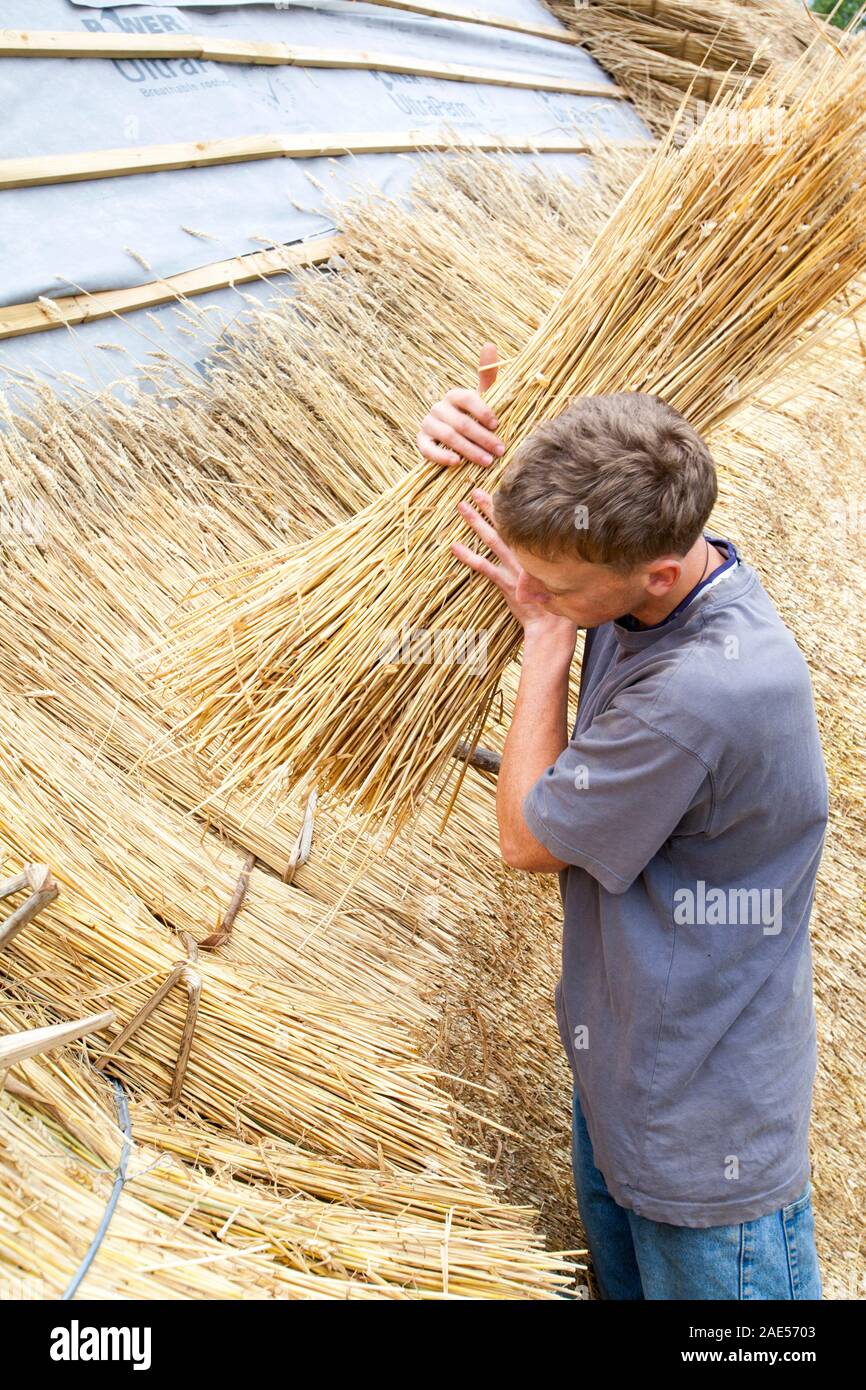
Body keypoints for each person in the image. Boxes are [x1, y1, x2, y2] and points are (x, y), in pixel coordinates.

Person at [417, 347, 827, 1300]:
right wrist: (450, 435)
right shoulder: (649, 543)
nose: (534, 590)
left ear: (653, 576)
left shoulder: (705, 690)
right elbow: (564, 499)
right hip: (626, 1073)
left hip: (705, 1128)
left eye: (559, 590)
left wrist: (546, 641)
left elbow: (525, 838)